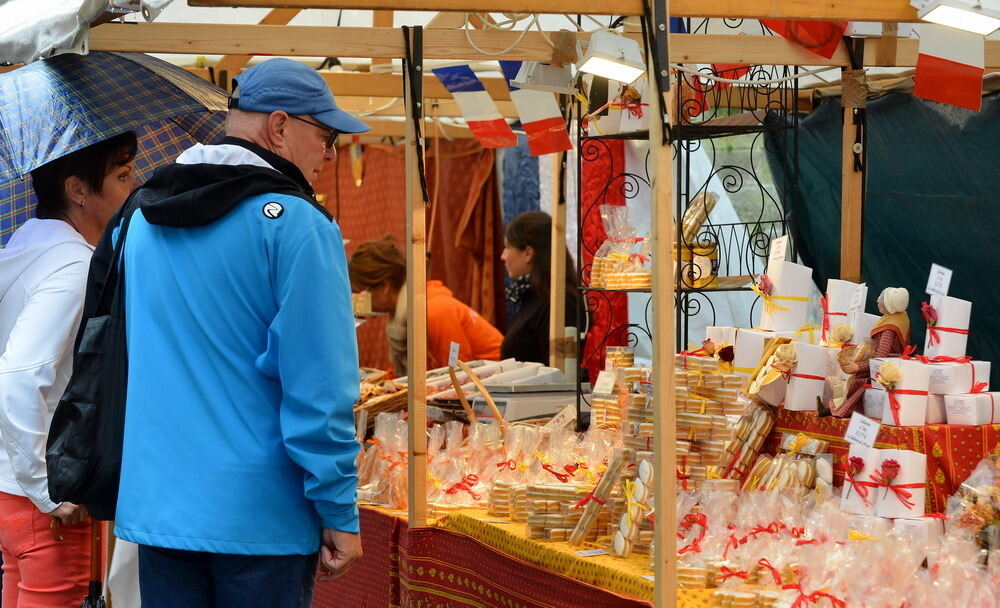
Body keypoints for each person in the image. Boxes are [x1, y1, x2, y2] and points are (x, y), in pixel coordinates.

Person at [94, 58, 368, 607]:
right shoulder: (298, 225)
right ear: (280, 127)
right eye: (327, 135)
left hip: (158, 508)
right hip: (260, 516)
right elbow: (319, 388)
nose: (332, 154)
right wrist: (338, 508)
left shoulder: (141, 218)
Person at [0, 131, 138, 607]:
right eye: (121, 175)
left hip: (14, 491)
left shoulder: (27, 245)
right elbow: (17, 376)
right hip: (45, 500)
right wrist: (49, 490)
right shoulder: (73, 267)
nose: (133, 187)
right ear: (78, 189)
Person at [348, 237, 503, 375]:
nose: (358, 298)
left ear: (385, 286)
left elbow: (455, 375)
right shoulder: (404, 313)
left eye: (362, 291)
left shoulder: (432, 311)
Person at [500, 211, 578, 365]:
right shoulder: (532, 296)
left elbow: (559, 372)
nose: (503, 256)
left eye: (507, 247)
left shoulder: (560, 302)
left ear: (528, 253)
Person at [831, 287, 910, 417]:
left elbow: (880, 359)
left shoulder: (889, 328)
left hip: (884, 369)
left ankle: (846, 410)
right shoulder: (899, 317)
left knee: (858, 381)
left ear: (889, 306)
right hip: (887, 364)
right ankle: (836, 406)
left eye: (881, 301)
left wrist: (858, 367)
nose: (877, 301)